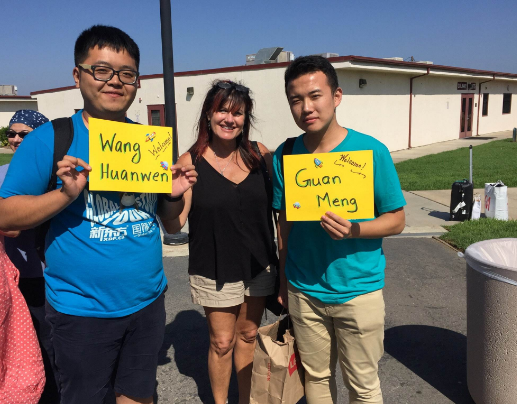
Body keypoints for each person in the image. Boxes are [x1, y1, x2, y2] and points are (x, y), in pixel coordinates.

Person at [0, 25, 197, 404]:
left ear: (137, 82)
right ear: (78, 75)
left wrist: (173, 195)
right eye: (102, 70)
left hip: (148, 302)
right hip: (80, 312)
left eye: (127, 74)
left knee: (139, 396)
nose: (115, 81)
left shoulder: (148, 143)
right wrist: (64, 195)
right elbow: (6, 216)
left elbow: (171, 223)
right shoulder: (50, 139)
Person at [272, 56, 406, 404]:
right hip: (304, 289)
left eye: (315, 96)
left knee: (363, 386)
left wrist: (355, 229)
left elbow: (396, 219)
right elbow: (284, 224)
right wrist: (284, 279)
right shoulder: (286, 155)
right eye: (296, 99)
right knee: (316, 379)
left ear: (337, 96)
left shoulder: (371, 151)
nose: (306, 107)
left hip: (358, 291)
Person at [164, 80, 278, 404]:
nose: (229, 119)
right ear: (208, 115)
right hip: (214, 265)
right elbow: (174, 224)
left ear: (245, 118)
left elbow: (286, 207)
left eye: (237, 113)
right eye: (222, 111)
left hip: (259, 263)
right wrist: (170, 196)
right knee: (222, 342)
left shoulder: (261, 155)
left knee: (249, 334)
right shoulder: (190, 161)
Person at [0, 110, 60, 403]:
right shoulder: (3, 171)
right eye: (12, 133)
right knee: (16, 344)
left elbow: (12, 225)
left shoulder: (53, 173)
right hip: (11, 275)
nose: (15, 139)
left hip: (46, 272)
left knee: (49, 341)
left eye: (24, 133)